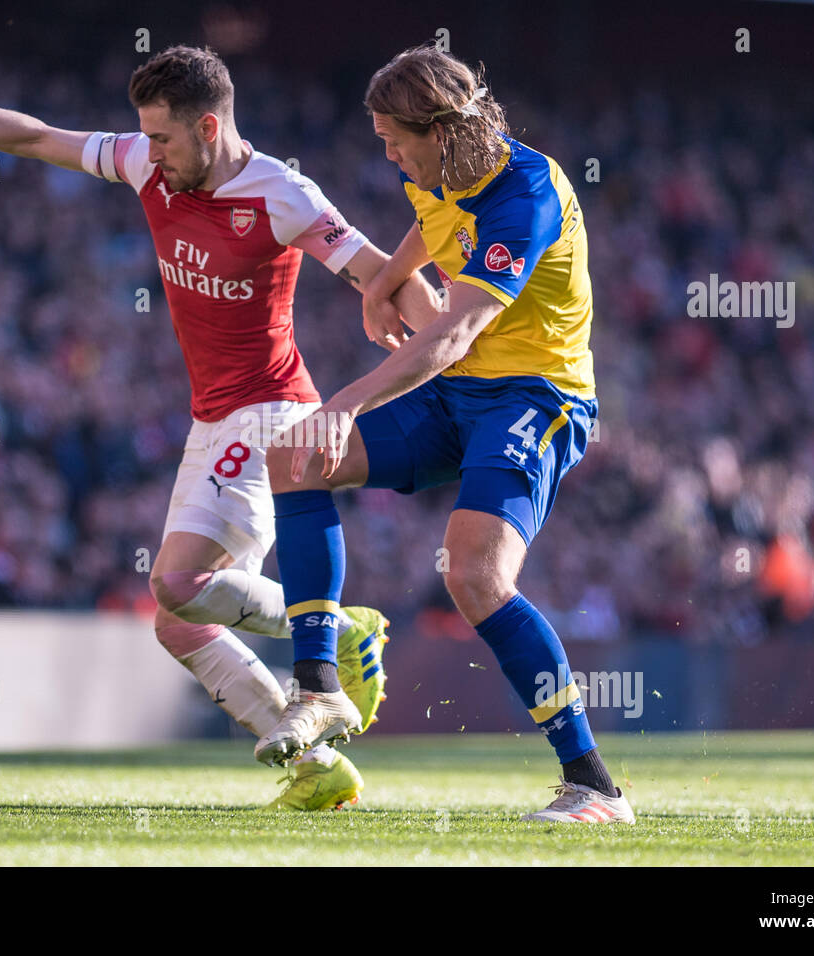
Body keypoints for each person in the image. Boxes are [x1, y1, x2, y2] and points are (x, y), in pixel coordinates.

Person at [0, 45, 438, 809]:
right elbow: (38, 138)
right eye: (146, 138)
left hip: (273, 410)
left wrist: (439, 334)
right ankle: (317, 768)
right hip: (211, 419)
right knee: (177, 622)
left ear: (209, 126)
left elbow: (380, 269)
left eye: (165, 139)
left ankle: (334, 631)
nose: (152, 153)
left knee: (176, 582)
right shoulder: (146, 163)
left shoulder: (282, 194)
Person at [258, 44, 636, 824]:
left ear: (441, 130)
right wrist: (391, 278)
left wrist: (346, 403)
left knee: (472, 573)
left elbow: (456, 333)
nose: (387, 154)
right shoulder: (437, 167)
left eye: (395, 139)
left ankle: (594, 785)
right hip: (460, 395)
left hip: (536, 397)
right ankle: (320, 687)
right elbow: (433, 223)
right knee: (294, 458)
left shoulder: (526, 194)